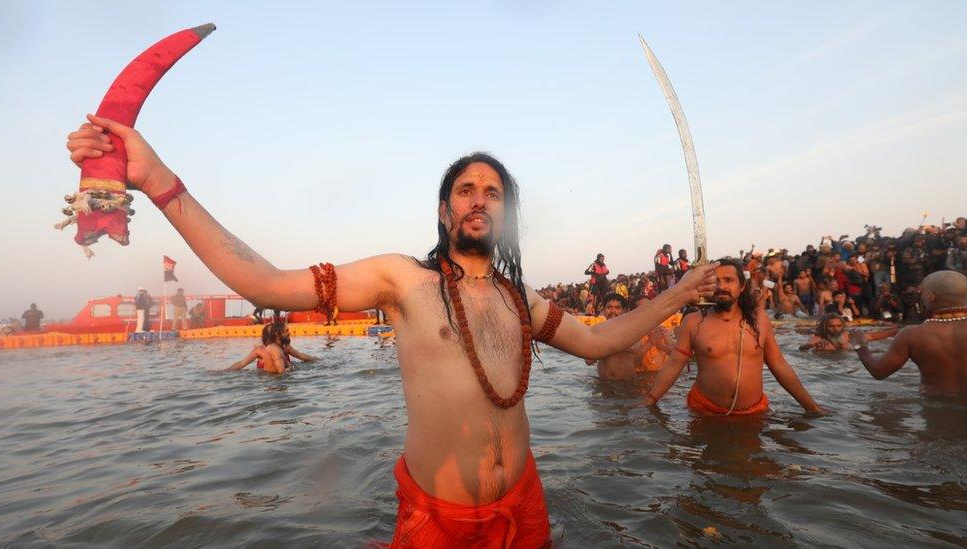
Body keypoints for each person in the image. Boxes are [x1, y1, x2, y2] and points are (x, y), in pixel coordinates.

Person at [67, 119, 717, 547]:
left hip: (524, 504)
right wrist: (157, 181)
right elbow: (264, 282)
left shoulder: (522, 300)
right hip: (438, 517)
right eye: (466, 188)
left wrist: (682, 292)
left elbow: (602, 342)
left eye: (493, 191)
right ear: (444, 209)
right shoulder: (401, 280)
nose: (479, 199)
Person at [646, 258, 823, 415]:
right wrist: (650, 402)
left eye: (729, 280)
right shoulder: (694, 322)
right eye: (716, 281)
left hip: (754, 412)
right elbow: (675, 364)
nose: (721, 286)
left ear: (742, 286)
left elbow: (778, 364)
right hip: (705, 412)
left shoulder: (759, 319)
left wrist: (812, 407)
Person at [850, 270, 967, 398]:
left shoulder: (912, 334)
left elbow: (879, 371)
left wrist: (860, 345)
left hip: (937, 408)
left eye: (922, 293)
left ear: (930, 296)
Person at [227, 319, 316, 374]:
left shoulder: (285, 347)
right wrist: (226, 371)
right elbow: (242, 364)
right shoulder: (260, 350)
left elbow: (302, 356)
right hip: (267, 377)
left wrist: (317, 359)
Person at [586, 293, 640, 380]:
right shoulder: (597, 331)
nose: (613, 311)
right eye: (609, 307)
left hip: (627, 384)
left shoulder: (631, 330)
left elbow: (637, 349)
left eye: (617, 308)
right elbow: (588, 361)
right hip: (604, 385)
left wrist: (604, 344)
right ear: (603, 310)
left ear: (624, 311)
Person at [798, 313, 897, 352]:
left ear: (843, 326)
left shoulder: (848, 335)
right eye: (831, 326)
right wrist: (812, 345)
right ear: (825, 327)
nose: (836, 329)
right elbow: (802, 348)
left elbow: (873, 336)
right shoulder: (819, 338)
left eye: (838, 326)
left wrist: (897, 332)